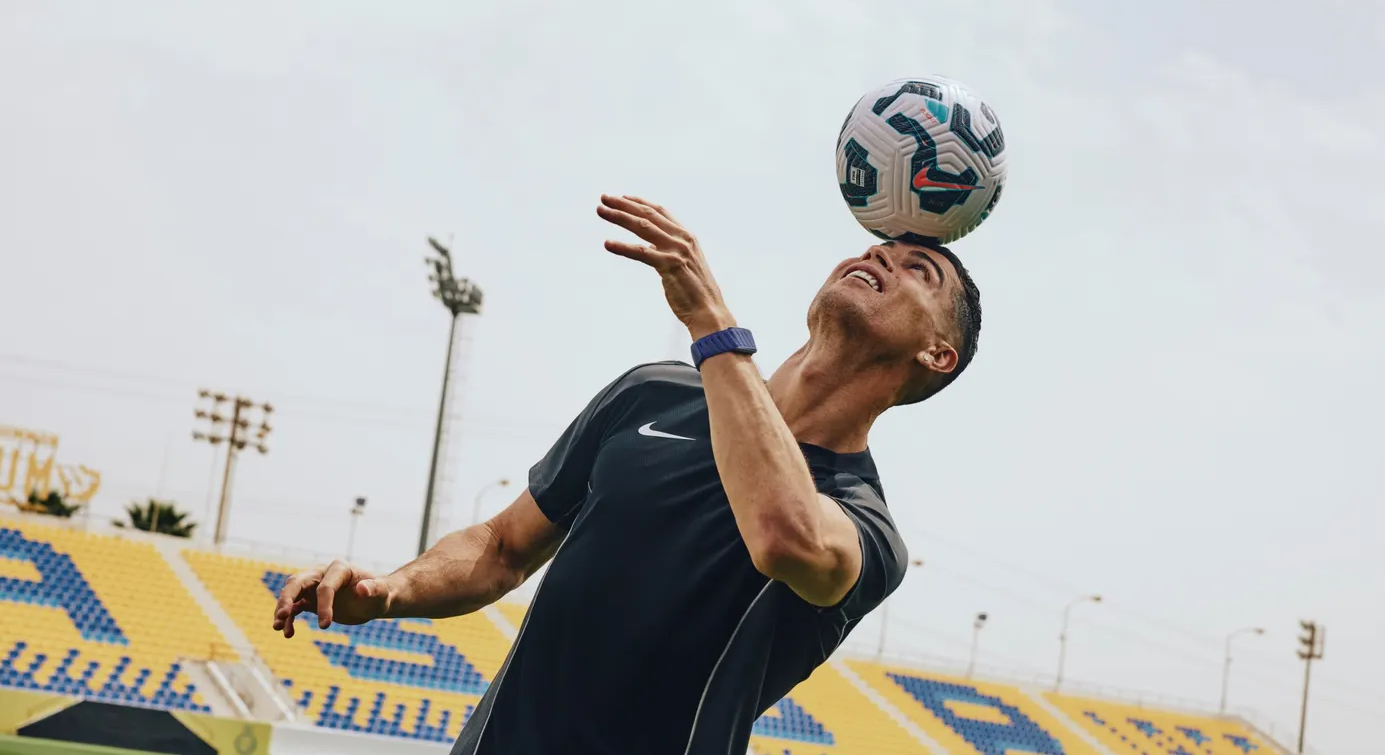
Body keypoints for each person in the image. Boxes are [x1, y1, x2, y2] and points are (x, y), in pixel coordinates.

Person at [272, 194, 982, 754]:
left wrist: (711, 323)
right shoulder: (654, 393)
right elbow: (501, 547)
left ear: (938, 354)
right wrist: (390, 588)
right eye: (876, 247)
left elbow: (783, 536)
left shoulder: (865, 527)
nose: (879, 257)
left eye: (920, 270)